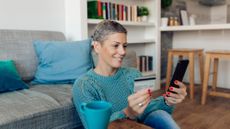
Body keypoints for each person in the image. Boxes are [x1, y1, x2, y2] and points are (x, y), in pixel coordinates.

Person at [72, 20, 187, 129]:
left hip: (138, 126)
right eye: (115, 45)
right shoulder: (83, 85)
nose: (123, 52)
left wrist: (168, 101)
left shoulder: (133, 74)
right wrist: (127, 112)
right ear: (97, 47)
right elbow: (95, 127)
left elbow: (147, 109)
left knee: (160, 115)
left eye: (124, 46)